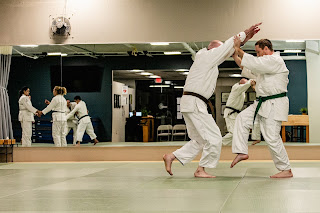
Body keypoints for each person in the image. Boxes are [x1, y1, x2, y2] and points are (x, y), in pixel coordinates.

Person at [162, 22, 262, 178]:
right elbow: (226, 48)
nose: (223, 54)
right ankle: (201, 169)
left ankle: (172, 156)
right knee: (215, 137)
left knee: (199, 140)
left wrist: (240, 43)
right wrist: (243, 35)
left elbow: (228, 50)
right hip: (195, 103)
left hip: (191, 102)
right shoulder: (207, 56)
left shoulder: (204, 60)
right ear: (213, 49)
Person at [230, 37, 293, 178]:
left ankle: (286, 169)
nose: (258, 55)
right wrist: (235, 55)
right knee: (241, 118)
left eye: (258, 52)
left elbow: (255, 63)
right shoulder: (264, 66)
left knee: (271, 137)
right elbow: (247, 68)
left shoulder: (275, 61)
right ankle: (242, 152)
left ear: (266, 48)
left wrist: (238, 49)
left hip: (274, 104)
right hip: (261, 103)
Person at [222, 78, 261, 145]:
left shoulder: (242, 91)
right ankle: (220, 143)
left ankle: (232, 145)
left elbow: (245, 87)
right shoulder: (236, 87)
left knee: (239, 130)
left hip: (236, 113)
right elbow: (244, 86)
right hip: (230, 113)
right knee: (233, 132)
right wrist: (250, 82)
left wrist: (253, 85)